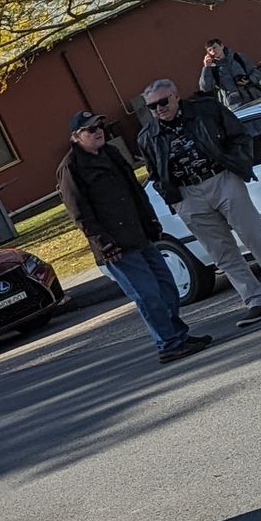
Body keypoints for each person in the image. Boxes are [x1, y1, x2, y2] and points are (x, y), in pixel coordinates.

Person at [57, 109, 213, 363]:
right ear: (76, 136)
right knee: (148, 294)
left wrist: (151, 221)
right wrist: (104, 243)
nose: (98, 132)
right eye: (90, 129)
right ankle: (169, 344)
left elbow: (135, 192)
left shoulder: (111, 153)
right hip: (115, 246)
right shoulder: (71, 169)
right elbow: (80, 214)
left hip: (139, 234)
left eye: (99, 126)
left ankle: (178, 336)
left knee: (167, 286)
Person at [138, 77, 261, 327]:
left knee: (256, 236)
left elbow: (239, 135)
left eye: (163, 102)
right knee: (222, 252)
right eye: (152, 107)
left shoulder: (206, 110)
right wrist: (175, 200)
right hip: (187, 195)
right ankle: (255, 301)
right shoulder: (148, 136)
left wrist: (238, 164)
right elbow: (154, 171)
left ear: (176, 96)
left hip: (221, 179)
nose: (159, 109)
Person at [199, 38, 261, 108]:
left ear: (222, 46)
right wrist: (206, 67)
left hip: (254, 97)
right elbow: (205, 88)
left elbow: (256, 72)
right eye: (210, 50)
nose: (213, 51)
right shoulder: (212, 68)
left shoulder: (238, 57)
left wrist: (249, 80)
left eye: (214, 47)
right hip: (235, 105)